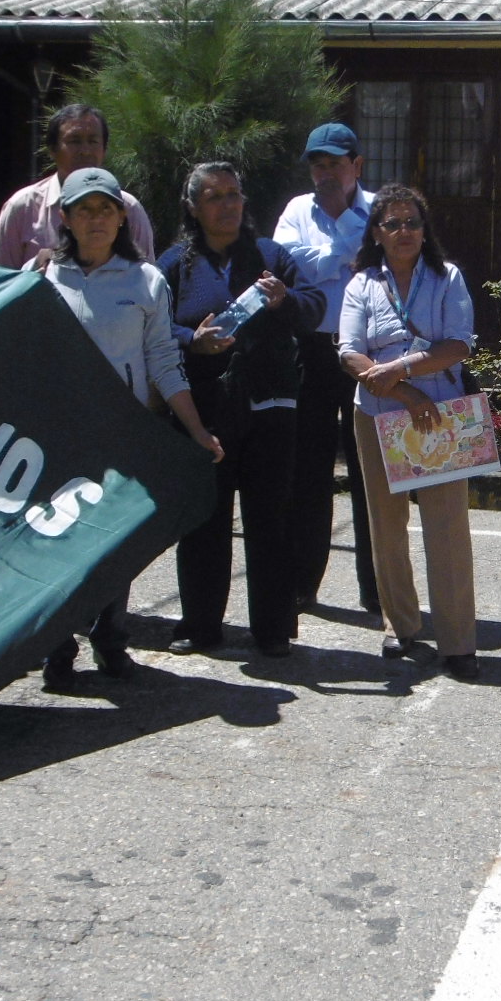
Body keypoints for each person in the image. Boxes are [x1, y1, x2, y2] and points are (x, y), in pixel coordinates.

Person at [33, 167, 222, 689]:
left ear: (122, 217)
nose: (95, 219)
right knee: (60, 543)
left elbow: (163, 360)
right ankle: (57, 648)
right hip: (60, 436)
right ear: (66, 218)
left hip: (125, 433)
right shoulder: (43, 276)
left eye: (105, 209)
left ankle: (111, 640)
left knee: (116, 543)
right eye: (84, 210)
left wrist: (196, 429)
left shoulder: (145, 281)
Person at [159, 161, 324, 658]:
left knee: (270, 519)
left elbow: (315, 307)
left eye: (233, 194)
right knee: (204, 520)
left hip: (270, 406)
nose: (227, 205)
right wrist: (192, 339)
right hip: (204, 411)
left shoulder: (271, 256)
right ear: (193, 207)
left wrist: (284, 300)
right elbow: (154, 327)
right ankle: (200, 625)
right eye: (214, 197)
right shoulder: (175, 264)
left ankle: (272, 629)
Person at [338, 184, 482, 682]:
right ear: (376, 233)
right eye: (393, 223)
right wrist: (405, 393)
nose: (404, 231)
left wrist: (400, 370)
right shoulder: (362, 284)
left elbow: (458, 345)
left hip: (439, 415)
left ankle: (459, 642)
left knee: (448, 529)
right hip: (378, 413)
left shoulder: (447, 278)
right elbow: (349, 352)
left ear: (425, 231)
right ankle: (400, 626)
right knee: (386, 525)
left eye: (413, 223)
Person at [273, 121, 380, 619]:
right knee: (308, 471)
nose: (326, 174)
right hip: (311, 351)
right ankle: (301, 582)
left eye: (335, 164)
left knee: (370, 472)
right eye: (318, 165)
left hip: (367, 353)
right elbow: (290, 269)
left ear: (356, 165)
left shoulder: (380, 210)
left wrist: (327, 258)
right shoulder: (297, 211)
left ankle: (377, 588)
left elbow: (378, 264)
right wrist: (345, 252)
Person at [0, 103, 156, 269]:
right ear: (52, 150)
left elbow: (146, 275)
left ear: (104, 149)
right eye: (74, 141)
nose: (85, 151)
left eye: (93, 141)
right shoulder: (22, 207)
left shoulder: (128, 208)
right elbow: (4, 279)